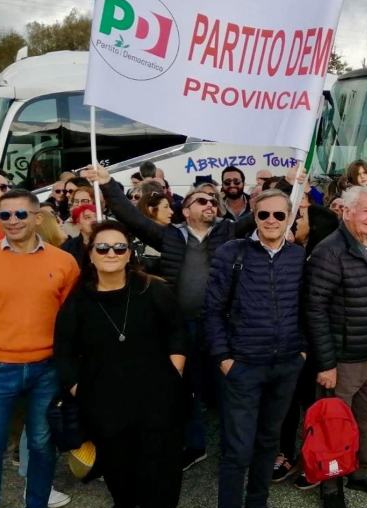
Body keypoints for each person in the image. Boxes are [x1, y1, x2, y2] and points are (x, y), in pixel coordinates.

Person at [81, 164, 255, 472]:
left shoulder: (228, 233)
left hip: (220, 324)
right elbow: (132, 217)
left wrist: (294, 190)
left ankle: (235, 447)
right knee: (187, 388)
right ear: (185, 210)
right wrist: (108, 184)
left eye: (213, 201)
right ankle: (195, 444)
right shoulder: (170, 237)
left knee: (229, 387)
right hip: (181, 325)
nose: (210, 204)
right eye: (202, 201)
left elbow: (264, 215)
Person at [54, 221, 187, 508]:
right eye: (103, 248)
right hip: (103, 393)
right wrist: (76, 386)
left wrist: (175, 369)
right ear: (91, 255)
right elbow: (64, 348)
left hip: (155, 390)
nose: (111, 253)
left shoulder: (152, 290)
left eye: (119, 248)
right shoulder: (80, 299)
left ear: (129, 254)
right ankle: (125, 505)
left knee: (156, 456)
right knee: (115, 456)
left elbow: (177, 331)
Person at [204, 189, 306, 508]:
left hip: (285, 365)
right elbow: (212, 310)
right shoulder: (233, 253)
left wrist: (302, 350)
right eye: (263, 215)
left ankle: (257, 507)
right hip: (244, 366)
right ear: (254, 215)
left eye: (280, 215)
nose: (271, 222)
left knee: (269, 440)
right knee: (237, 449)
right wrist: (224, 358)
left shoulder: (298, 256)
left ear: (290, 216)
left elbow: (305, 305)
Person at [0, 189, 80, 508]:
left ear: (37, 218)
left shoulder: (63, 262)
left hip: (47, 369)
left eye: (20, 215)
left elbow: (73, 321)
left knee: (43, 446)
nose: (12, 221)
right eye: (5, 215)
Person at [307, 186, 367, 508]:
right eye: (366, 211)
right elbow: (314, 309)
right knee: (332, 428)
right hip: (342, 360)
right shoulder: (329, 251)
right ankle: (331, 488)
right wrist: (326, 363)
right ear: (346, 212)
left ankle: (360, 473)